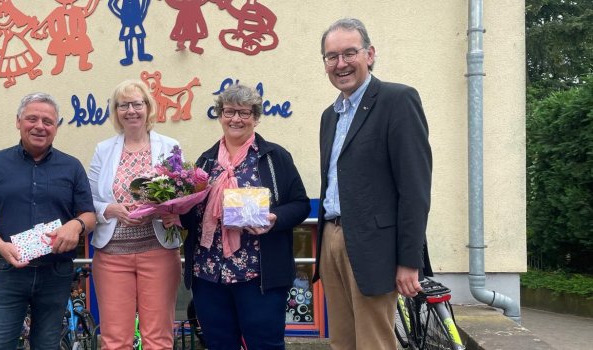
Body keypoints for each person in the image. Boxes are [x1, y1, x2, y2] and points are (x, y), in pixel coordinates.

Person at [312, 18, 433, 349]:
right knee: (342, 342)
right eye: (331, 56)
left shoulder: (397, 101)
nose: (341, 64)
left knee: (374, 342)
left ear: (370, 54)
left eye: (349, 53)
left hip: (375, 247)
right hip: (331, 240)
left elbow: (415, 188)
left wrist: (409, 260)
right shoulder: (330, 115)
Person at [0, 92, 96, 350]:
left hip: (55, 273)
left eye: (47, 121)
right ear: (18, 122)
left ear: (56, 127)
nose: (39, 126)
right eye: (32, 118)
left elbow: (89, 215)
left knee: (47, 345)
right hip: (9, 270)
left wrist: (76, 225)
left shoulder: (71, 166)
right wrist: (0, 246)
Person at [181, 84, 310, 350]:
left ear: (255, 117)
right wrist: (174, 215)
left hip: (258, 276)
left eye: (244, 112)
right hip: (209, 276)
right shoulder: (205, 163)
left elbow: (300, 205)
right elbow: (193, 216)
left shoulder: (275, 158)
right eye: (229, 111)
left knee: (265, 345)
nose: (236, 119)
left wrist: (274, 218)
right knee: (218, 345)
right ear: (220, 115)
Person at [88, 79, 182, 350]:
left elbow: (181, 193)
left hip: (158, 250)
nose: (131, 110)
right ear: (116, 111)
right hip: (112, 255)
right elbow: (88, 200)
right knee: (115, 340)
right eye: (124, 105)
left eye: (137, 104)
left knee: (159, 339)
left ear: (148, 107)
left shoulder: (169, 145)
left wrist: (162, 208)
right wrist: (110, 209)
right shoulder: (103, 150)